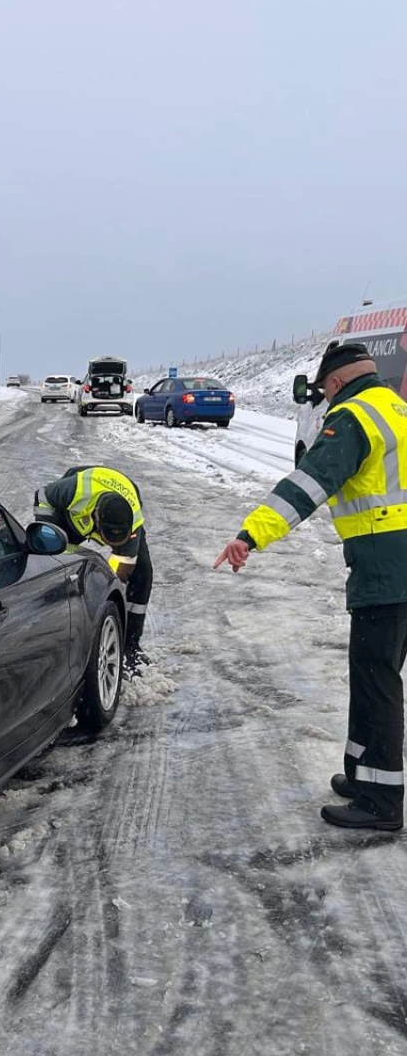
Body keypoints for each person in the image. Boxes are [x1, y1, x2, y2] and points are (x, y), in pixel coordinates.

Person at [214, 340, 407, 832]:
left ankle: (382, 801)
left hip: (387, 571)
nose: (323, 399)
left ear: (336, 382)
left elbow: (308, 484)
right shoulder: (397, 409)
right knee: (374, 674)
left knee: (376, 678)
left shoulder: (354, 418)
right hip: (394, 566)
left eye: (324, 391)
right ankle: (363, 776)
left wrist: (250, 535)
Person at [34, 465, 153, 667]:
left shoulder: (133, 520)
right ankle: (53, 632)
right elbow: (43, 495)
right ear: (97, 516)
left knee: (143, 574)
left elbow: (119, 574)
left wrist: (107, 609)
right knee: (55, 565)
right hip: (72, 516)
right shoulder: (74, 489)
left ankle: (130, 647)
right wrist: (50, 530)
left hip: (118, 507)